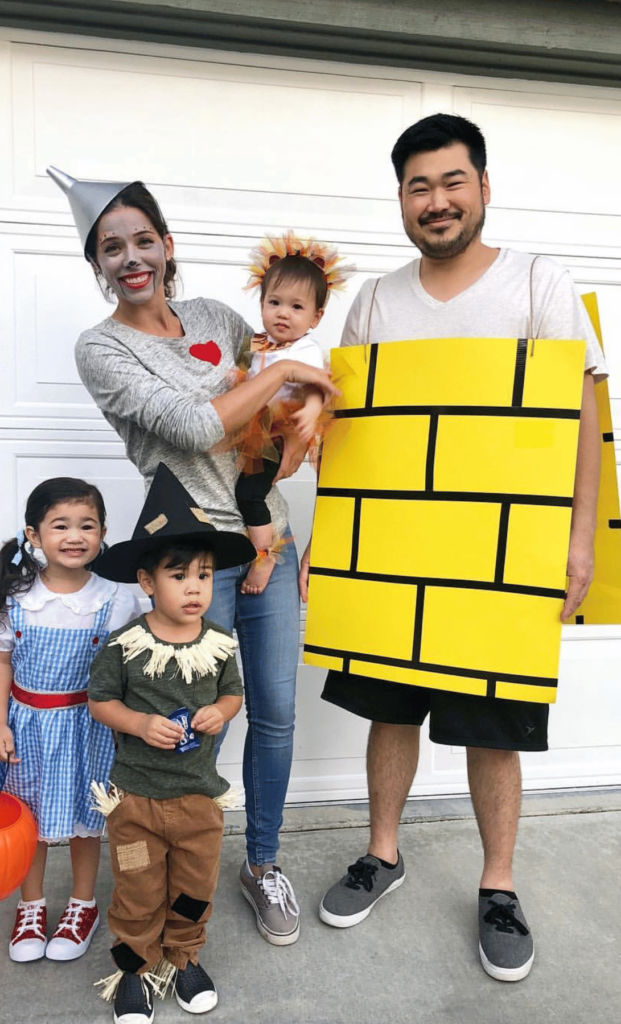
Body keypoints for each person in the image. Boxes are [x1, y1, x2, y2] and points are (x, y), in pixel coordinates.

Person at [299, 113, 607, 983]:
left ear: (482, 187)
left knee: (490, 722)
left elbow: (581, 417)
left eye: (450, 181)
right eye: (417, 186)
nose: (435, 201)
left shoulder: (539, 282)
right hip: (393, 548)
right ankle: (382, 854)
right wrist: (332, 540)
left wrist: (579, 541)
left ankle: (498, 886)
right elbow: (350, 433)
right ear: (400, 198)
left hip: (498, 556)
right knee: (389, 711)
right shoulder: (375, 300)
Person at [47, 166, 337, 949]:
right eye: (112, 247)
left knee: (272, 714)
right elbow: (194, 425)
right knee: (185, 722)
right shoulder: (101, 349)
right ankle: (177, 870)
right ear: (97, 262)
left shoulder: (216, 315)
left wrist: (308, 404)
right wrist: (284, 374)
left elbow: (276, 408)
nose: (131, 256)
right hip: (189, 560)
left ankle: (262, 861)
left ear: (168, 245)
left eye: (144, 239)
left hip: (266, 542)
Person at [88, 462, 256, 1020]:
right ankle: (132, 968)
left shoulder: (221, 641)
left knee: (192, 885)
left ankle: (183, 956)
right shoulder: (125, 642)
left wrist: (218, 711)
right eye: (179, 574)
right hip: (135, 801)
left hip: (198, 800)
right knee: (136, 890)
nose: (194, 587)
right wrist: (137, 723)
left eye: (204, 575)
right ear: (147, 582)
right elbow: (99, 701)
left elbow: (235, 696)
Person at [0, 477, 142, 964]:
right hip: (26, 728)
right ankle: (32, 905)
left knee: (87, 821)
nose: (74, 535)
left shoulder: (116, 597)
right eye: (60, 525)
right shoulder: (18, 596)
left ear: (103, 533)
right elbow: (2, 662)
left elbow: (131, 665)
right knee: (28, 822)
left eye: (87, 525)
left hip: (87, 728)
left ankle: (82, 905)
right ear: (34, 535)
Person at [228, 231, 352, 595]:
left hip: (278, 433)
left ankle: (264, 554)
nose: (283, 313)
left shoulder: (306, 350)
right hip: (254, 429)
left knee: (249, 493)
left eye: (297, 307)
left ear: (316, 317)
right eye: (275, 302)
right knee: (246, 488)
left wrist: (311, 414)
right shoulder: (256, 343)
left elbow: (321, 387)